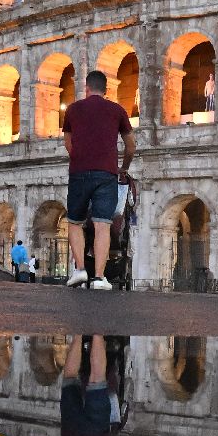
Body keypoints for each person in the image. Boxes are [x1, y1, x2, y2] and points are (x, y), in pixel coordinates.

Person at [61, 69, 134, 290]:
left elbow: (68, 143)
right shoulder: (117, 110)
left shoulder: (72, 109)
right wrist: (123, 167)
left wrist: (79, 158)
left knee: (75, 222)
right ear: (106, 89)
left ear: (86, 88)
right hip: (107, 173)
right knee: (103, 224)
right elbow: (131, 146)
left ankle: (80, 270)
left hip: (79, 172)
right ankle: (100, 278)